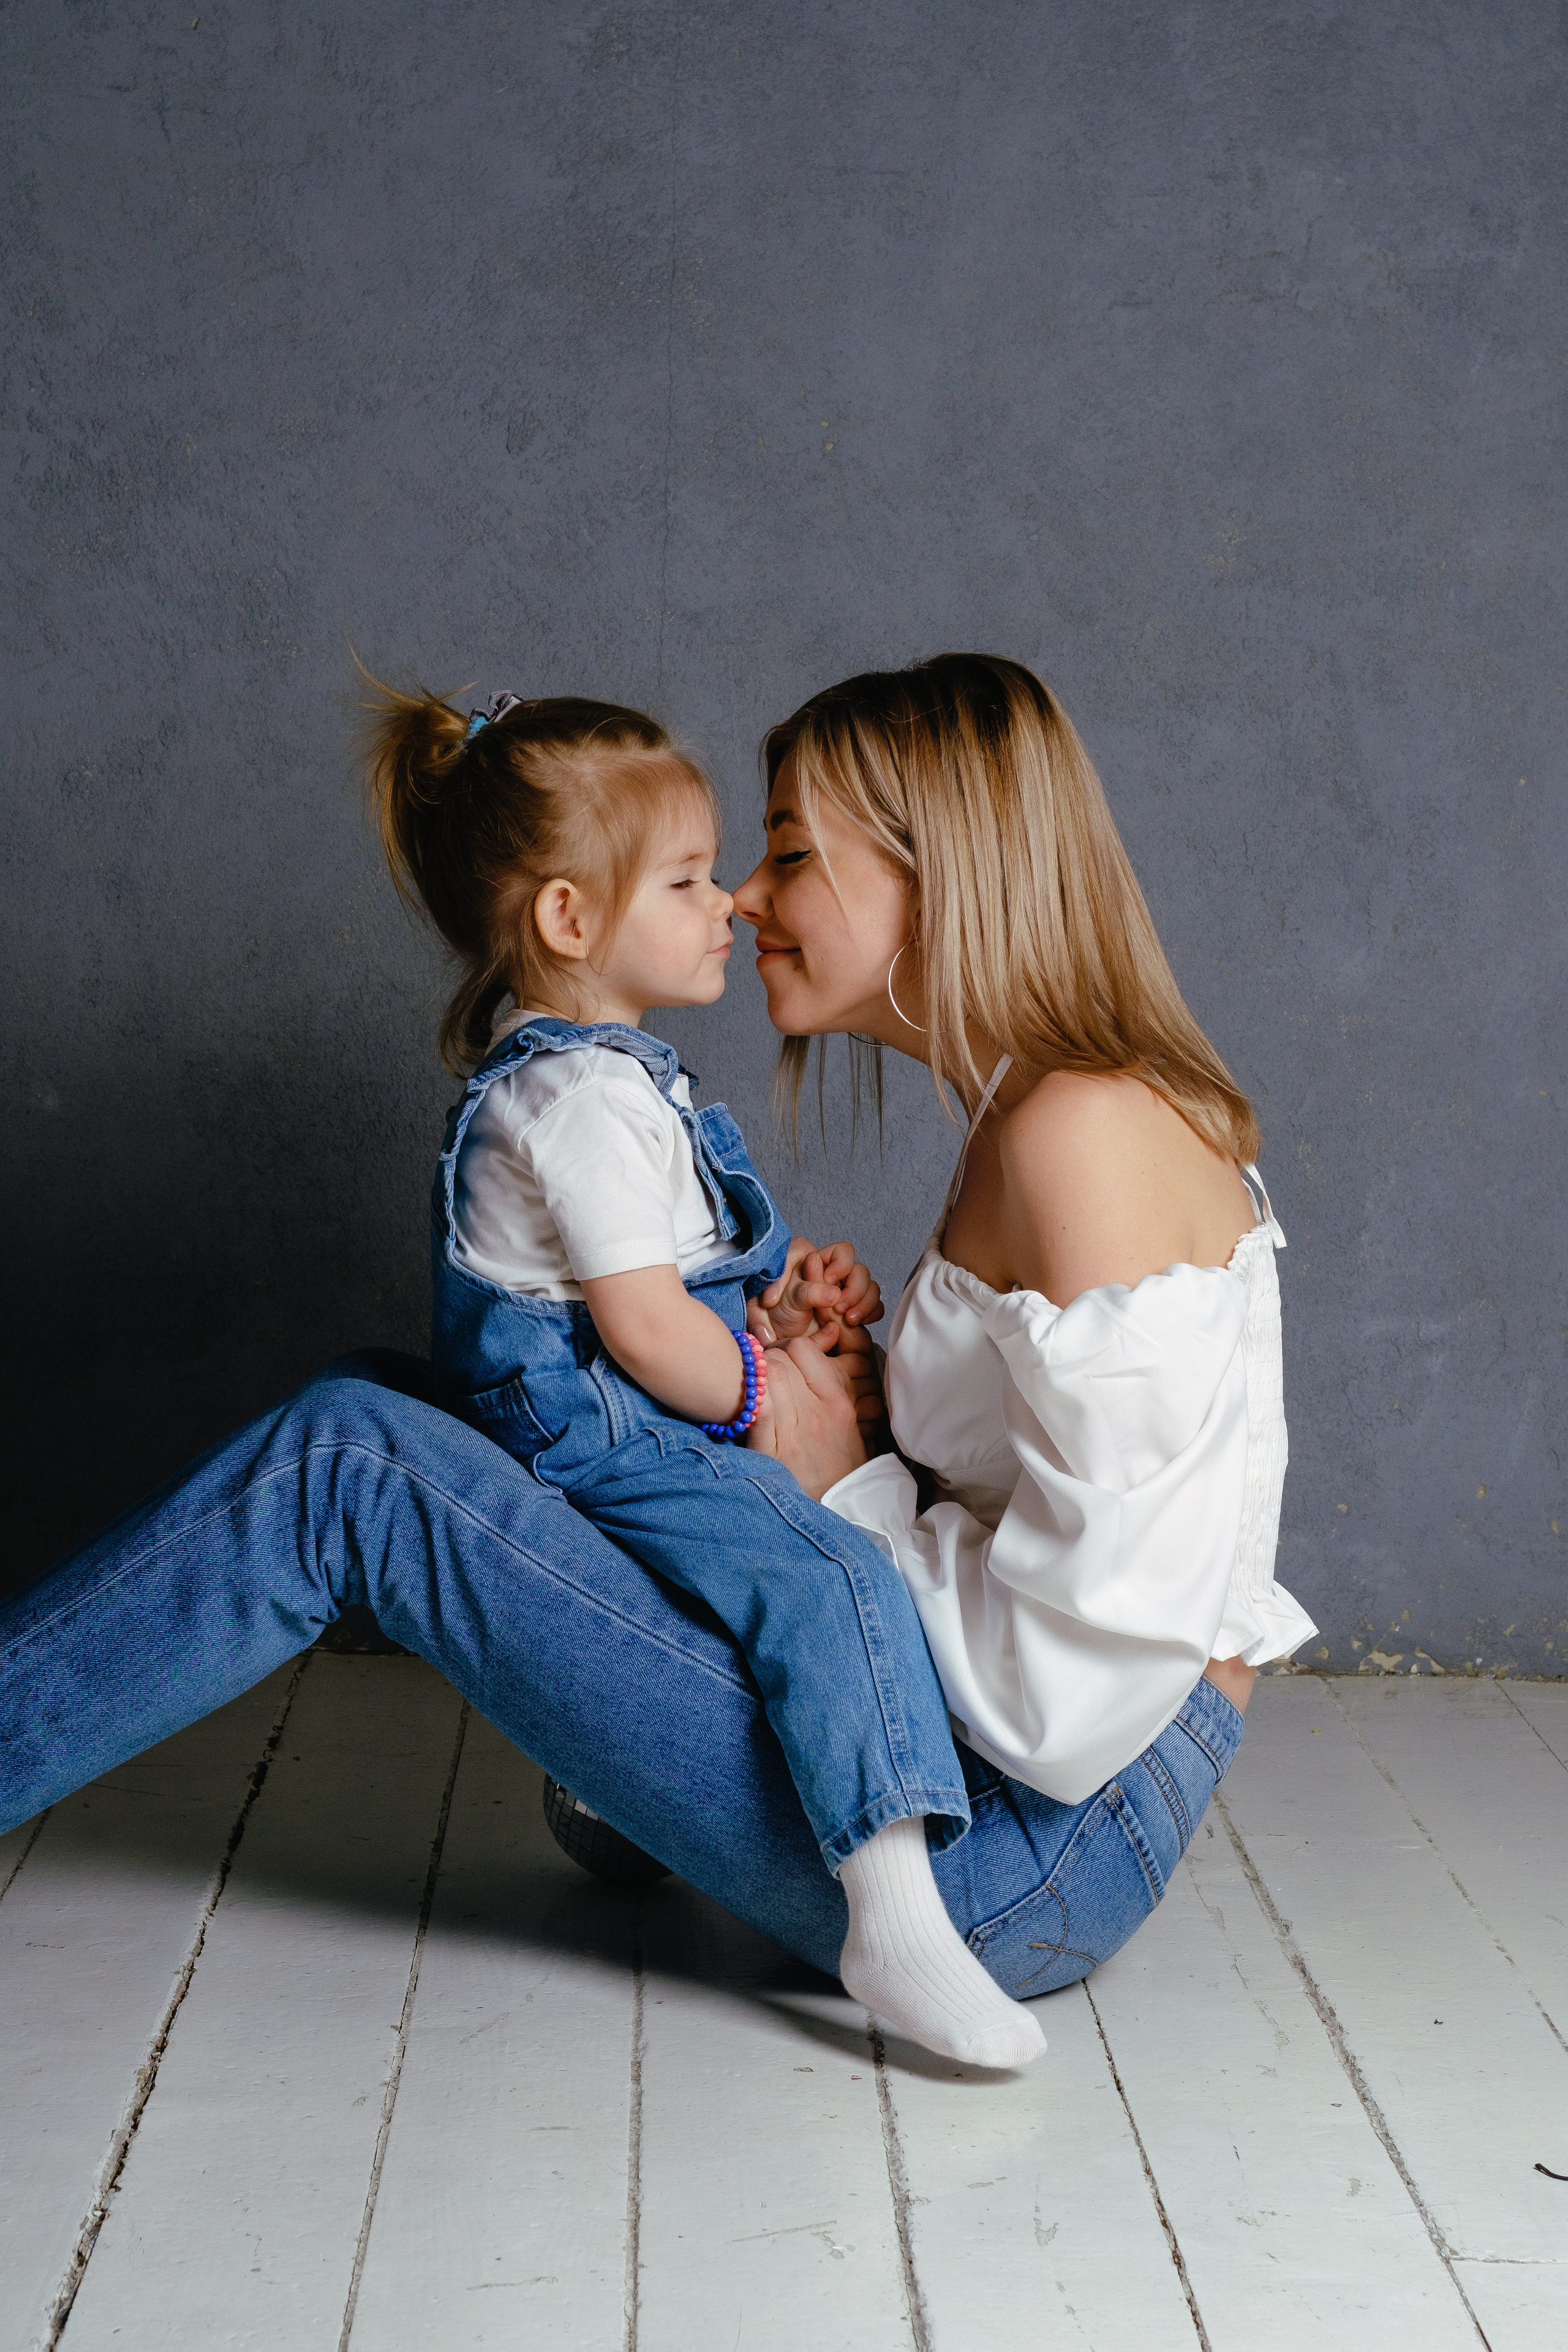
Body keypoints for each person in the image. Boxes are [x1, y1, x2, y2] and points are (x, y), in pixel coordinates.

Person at [0, 651, 1312, 2051]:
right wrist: (842, 1398)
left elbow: (1074, 1691)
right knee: (383, 1405)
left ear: (936, 868)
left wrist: (838, 1477)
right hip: (1010, 1795)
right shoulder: (1034, 1112)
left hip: (1012, 1854)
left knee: (348, 1466)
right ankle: (628, 1780)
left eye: (787, 852)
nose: (743, 896)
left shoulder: (1080, 1129)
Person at [360, 676, 1039, 2069]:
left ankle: (620, 1802)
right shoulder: (583, 1100)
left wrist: (782, 1306)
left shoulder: (606, 1082)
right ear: (569, 919)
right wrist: (761, 1393)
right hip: (602, 1429)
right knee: (832, 1578)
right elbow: (639, 1330)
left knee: (736, 1590)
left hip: (626, 1408)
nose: (727, 900)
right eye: (683, 880)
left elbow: (676, 1285)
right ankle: (894, 1913)